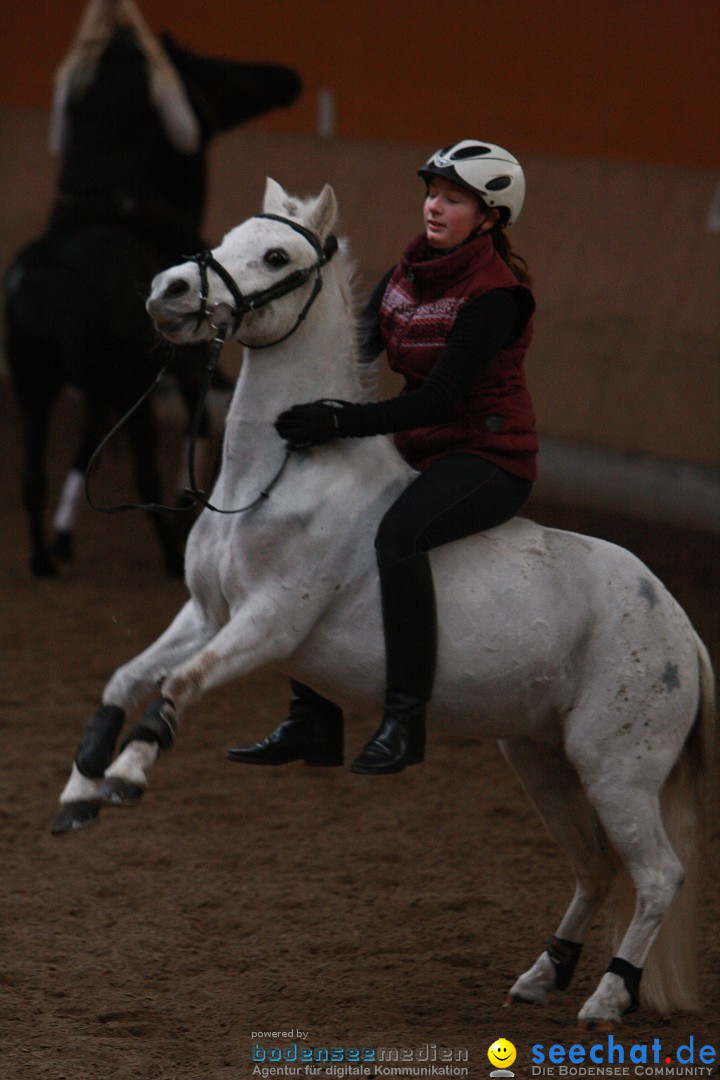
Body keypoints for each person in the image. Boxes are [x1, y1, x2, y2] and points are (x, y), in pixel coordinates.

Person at [227, 139, 538, 775]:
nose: (434, 207)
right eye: (432, 193)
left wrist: (340, 420)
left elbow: (439, 400)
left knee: (400, 534)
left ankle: (405, 719)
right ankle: (313, 719)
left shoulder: (496, 297)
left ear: (491, 218)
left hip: (486, 455)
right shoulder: (408, 272)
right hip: (421, 444)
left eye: (454, 200)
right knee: (323, 519)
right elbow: (358, 349)